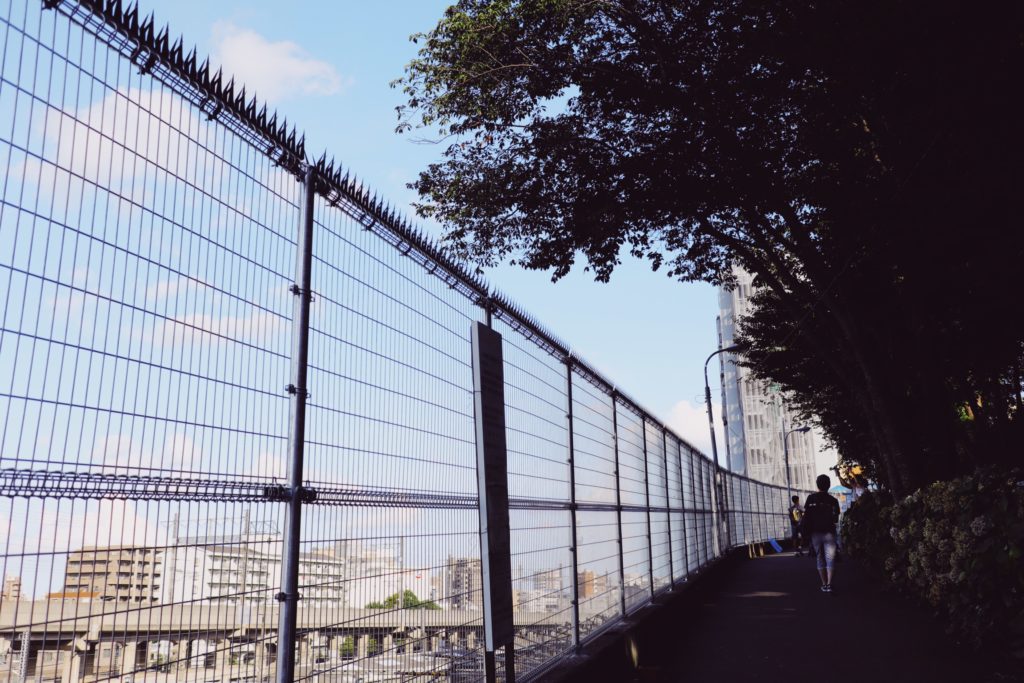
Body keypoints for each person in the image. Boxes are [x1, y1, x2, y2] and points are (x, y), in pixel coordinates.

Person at [803, 474, 841, 592]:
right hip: (829, 532)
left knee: (819, 557)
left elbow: (807, 515)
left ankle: (824, 584)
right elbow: (835, 519)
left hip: (815, 533)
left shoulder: (810, 498)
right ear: (828, 485)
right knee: (830, 558)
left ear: (817, 484)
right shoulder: (833, 500)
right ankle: (829, 584)